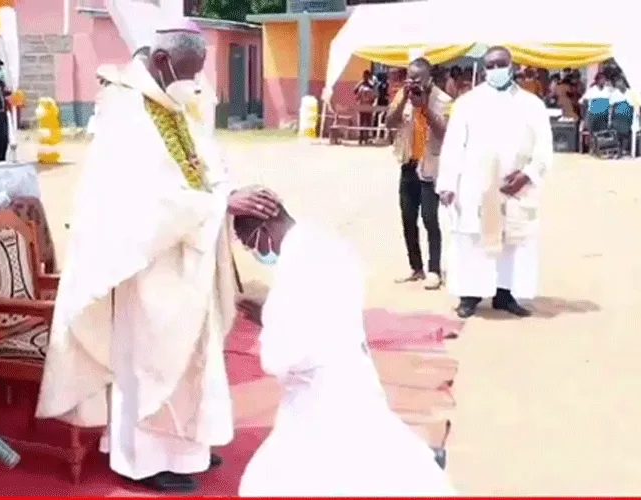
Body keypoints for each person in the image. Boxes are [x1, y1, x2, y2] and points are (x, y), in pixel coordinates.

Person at [34, 19, 282, 493]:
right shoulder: (125, 110)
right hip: (146, 262)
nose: (196, 82)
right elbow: (135, 200)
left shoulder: (171, 104)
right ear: (164, 60)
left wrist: (232, 193)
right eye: (191, 70)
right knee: (148, 361)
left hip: (187, 252)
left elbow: (203, 169)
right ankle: (143, 461)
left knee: (193, 355)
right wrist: (219, 203)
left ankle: (187, 444)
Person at [232, 206, 455, 497]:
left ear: (265, 228)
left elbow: (281, 356)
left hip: (317, 392)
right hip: (354, 370)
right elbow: (321, 312)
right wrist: (269, 317)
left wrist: (269, 325)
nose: (256, 253)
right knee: (373, 444)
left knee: (273, 480)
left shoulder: (292, 271)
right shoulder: (325, 241)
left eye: (251, 244)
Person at [436, 46, 553, 319]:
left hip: (515, 186)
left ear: (511, 66)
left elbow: (544, 147)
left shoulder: (531, 104)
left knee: (512, 240)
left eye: (501, 64)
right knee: (472, 239)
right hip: (476, 185)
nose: (496, 69)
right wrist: (448, 184)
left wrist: (527, 174)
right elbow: (454, 145)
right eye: (490, 65)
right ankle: (469, 295)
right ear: (484, 68)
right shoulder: (467, 103)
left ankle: (506, 294)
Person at [385, 57, 451, 290]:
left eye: (418, 78)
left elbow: (445, 134)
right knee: (407, 218)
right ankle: (416, 268)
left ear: (429, 78)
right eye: (410, 77)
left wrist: (425, 107)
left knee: (430, 219)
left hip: (431, 168)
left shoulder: (443, 100)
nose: (413, 82)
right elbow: (389, 123)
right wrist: (404, 99)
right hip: (408, 164)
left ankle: (434, 270)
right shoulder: (402, 96)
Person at [609, 77, 634, 155]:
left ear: (624, 83)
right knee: (617, 134)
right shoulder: (614, 94)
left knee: (626, 133)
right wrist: (610, 119)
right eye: (617, 82)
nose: (618, 84)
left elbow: (634, 105)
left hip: (628, 117)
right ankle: (618, 150)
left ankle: (625, 149)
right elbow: (611, 107)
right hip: (617, 117)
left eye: (620, 82)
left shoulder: (630, 93)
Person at [354, 70, 376, 144]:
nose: (365, 77)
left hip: (368, 105)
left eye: (367, 76)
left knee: (367, 122)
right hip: (362, 105)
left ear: (369, 76)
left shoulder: (371, 85)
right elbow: (355, 91)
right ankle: (361, 138)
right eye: (364, 76)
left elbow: (374, 95)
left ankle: (365, 139)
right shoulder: (361, 84)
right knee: (362, 122)